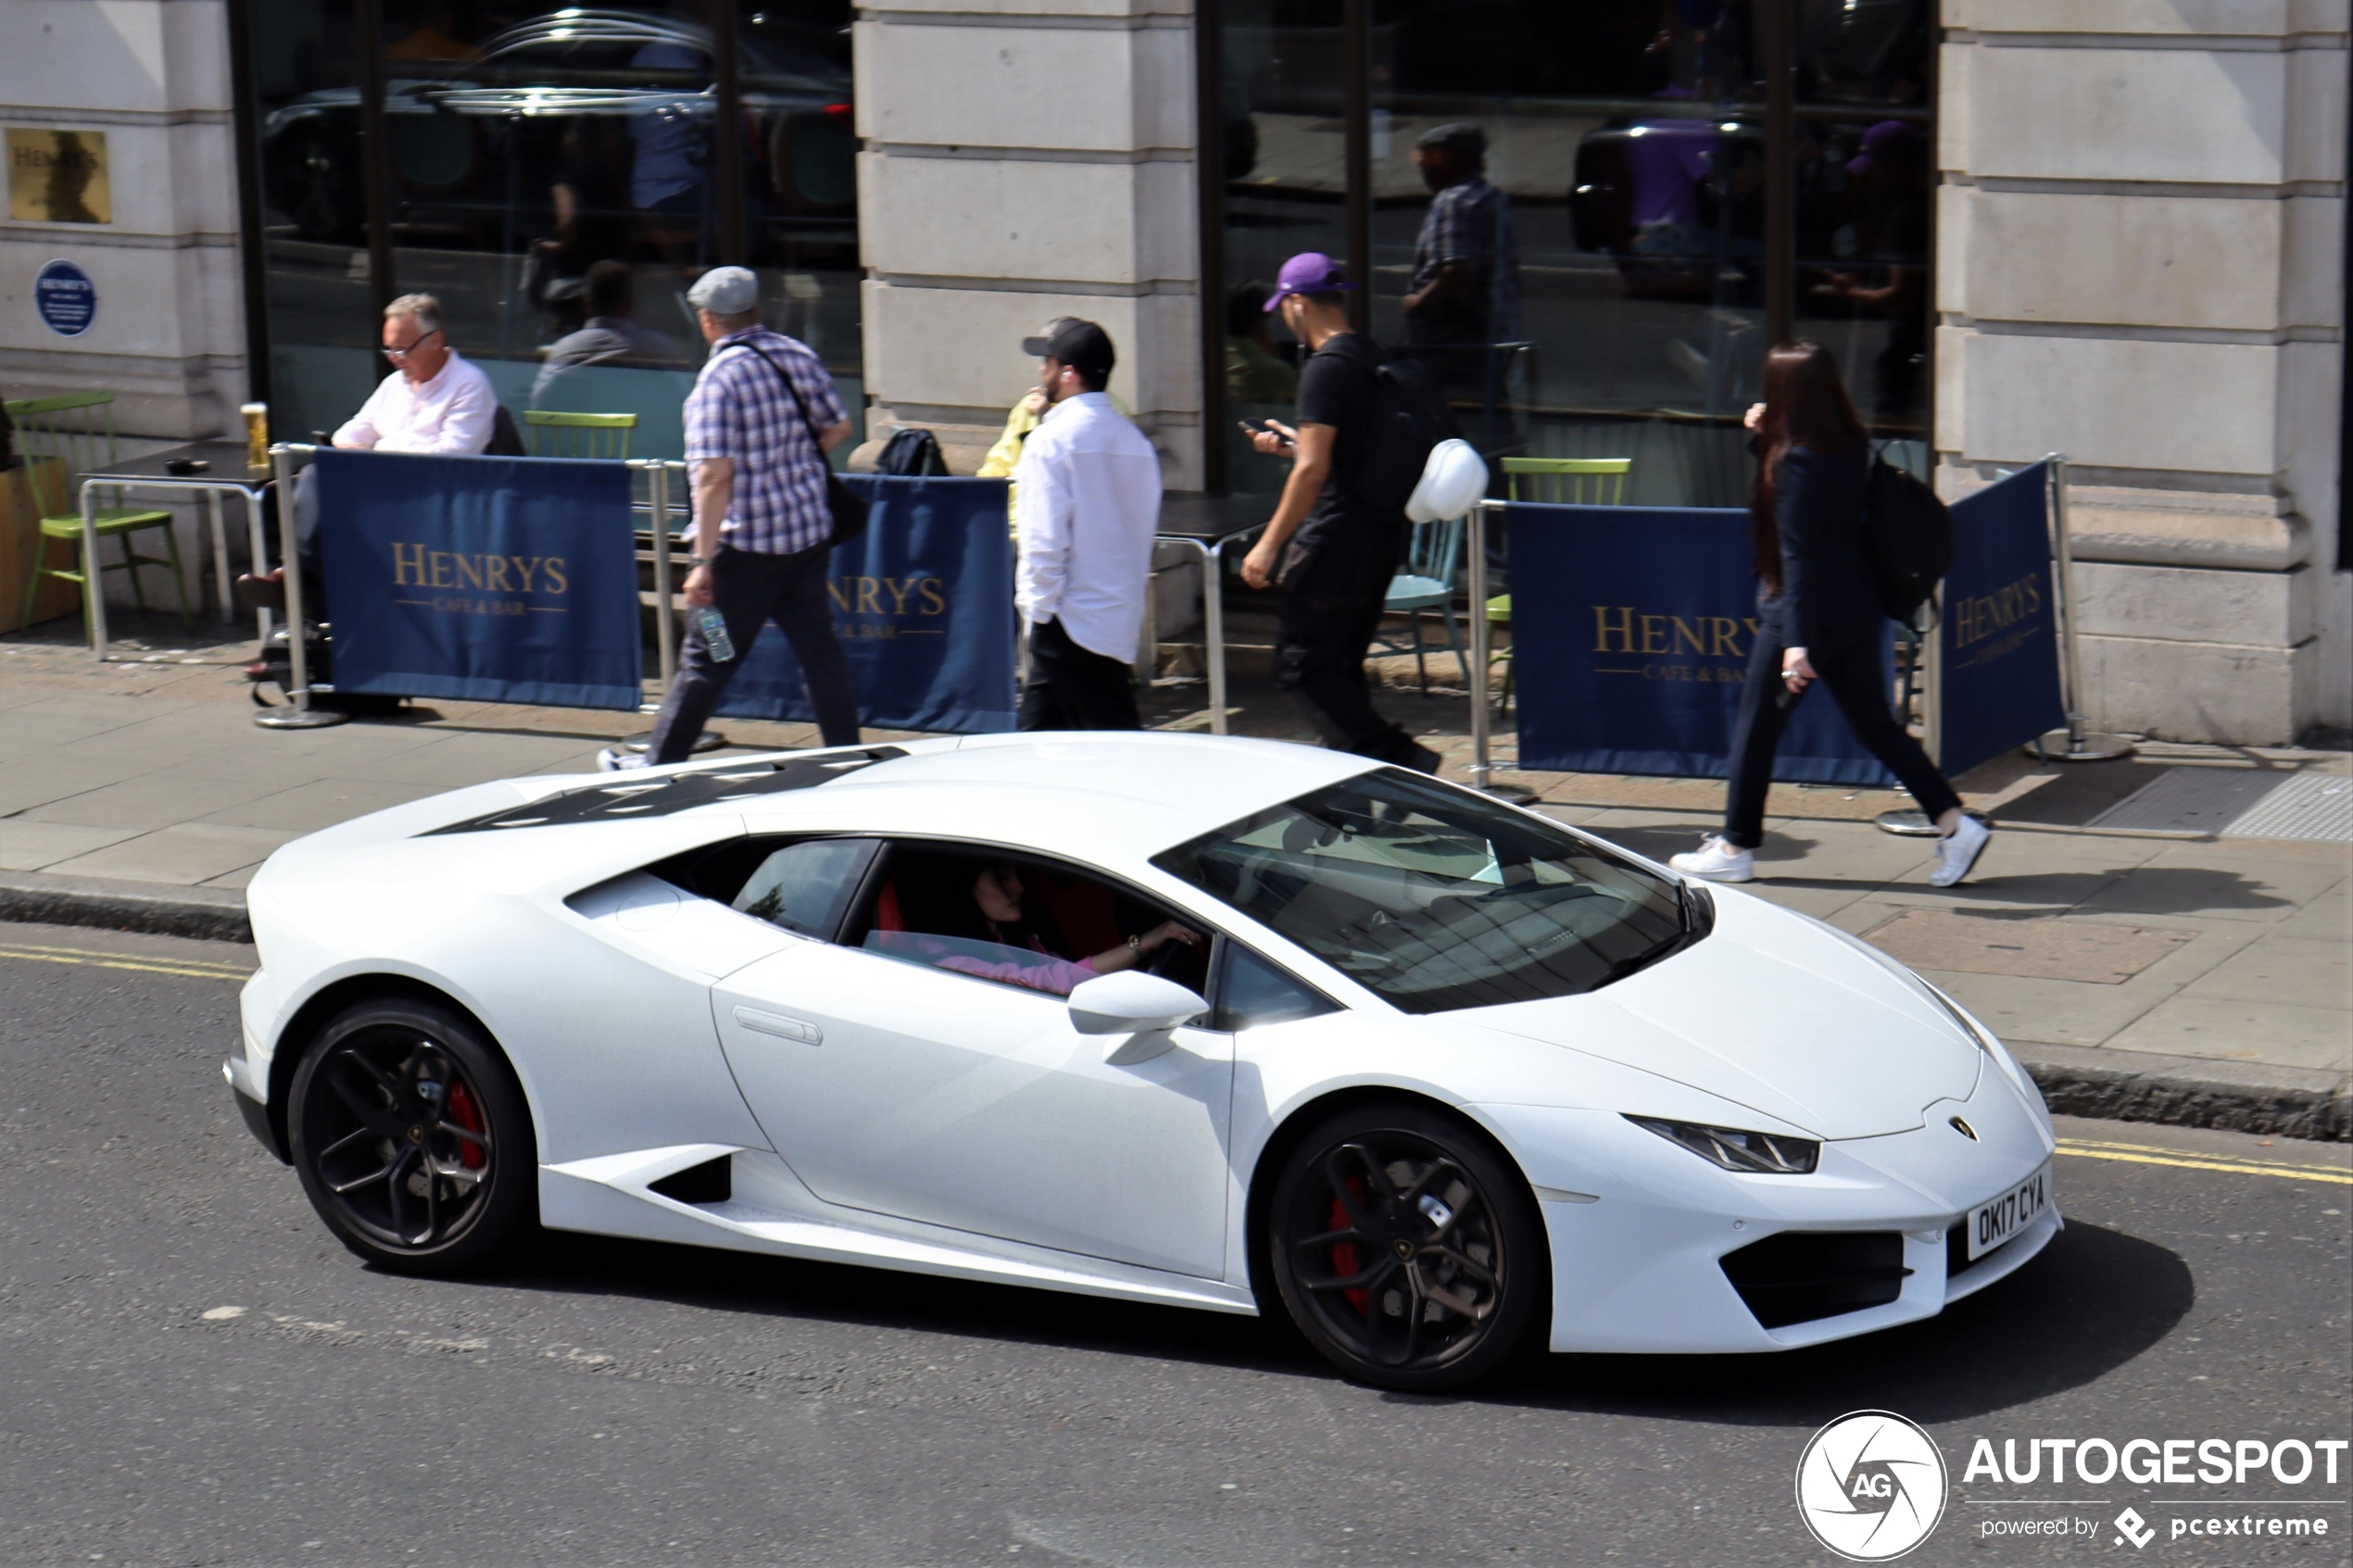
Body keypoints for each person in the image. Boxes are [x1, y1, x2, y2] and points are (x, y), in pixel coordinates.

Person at [1669, 341, 1990, 886]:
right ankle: (1954, 822)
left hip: (1802, 614)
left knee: (1754, 732)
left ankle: (1735, 845)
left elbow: (1800, 549)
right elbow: (1816, 506)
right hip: (1857, 606)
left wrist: (1797, 643)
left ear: (1782, 392)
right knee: (1875, 727)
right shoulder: (1847, 441)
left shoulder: (1795, 458)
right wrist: (1764, 437)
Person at [600, 266, 859, 771]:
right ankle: (847, 754)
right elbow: (839, 425)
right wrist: (788, 466)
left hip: (741, 557)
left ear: (708, 320)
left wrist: (700, 562)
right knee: (819, 653)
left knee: (708, 656)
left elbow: (714, 477)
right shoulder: (796, 355)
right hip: (805, 539)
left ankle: (658, 763)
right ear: (754, 309)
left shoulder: (717, 382)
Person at [1239, 254, 1440, 773]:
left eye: (1284, 308)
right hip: (1378, 540)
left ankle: (1400, 760)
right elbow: (1345, 455)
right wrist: (1294, 447)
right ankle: (1362, 791)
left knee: (1299, 667)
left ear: (1298, 303)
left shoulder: (1325, 368)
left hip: (1336, 540)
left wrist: (1268, 545)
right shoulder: (1374, 358)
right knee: (1341, 667)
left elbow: (1312, 472)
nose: (1285, 318)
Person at [1012, 318, 1163, 731]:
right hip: (1113, 619)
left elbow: (1043, 540)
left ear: (1068, 372)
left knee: (1112, 748)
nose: (1040, 371)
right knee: (1038, 744)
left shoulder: (1051, 440)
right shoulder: (1135, 443)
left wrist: (1035, 613)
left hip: (1067, 620)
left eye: (1047, 361)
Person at [878, 862, 1198, 997]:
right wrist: (1146, 943)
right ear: (961, 891)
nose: (1018, 887)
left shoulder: (1012, 938)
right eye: (1001, 879)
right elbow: (1056, 981)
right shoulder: (950, 964)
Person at [1401, 123, 1521, 395]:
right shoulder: (1493, 197)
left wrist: (1417, 303)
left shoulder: (1453, 200)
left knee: (1440, 417)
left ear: (1455, 159)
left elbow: (1458, 270)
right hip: (1492, 335)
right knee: (1487, 414)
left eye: (1431, 158)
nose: (1423, 167)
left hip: (1453, 342)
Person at [333, 294, 497, 456]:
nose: (392, 358)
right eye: (389, 349)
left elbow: (455, 453)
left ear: (435, 341)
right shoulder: (394, 383)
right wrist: (348, 447)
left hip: (433, 480)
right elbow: (353, 431)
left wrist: (381, 455)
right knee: (314, 473)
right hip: (382, 473)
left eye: (401, 349)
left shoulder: (469, 384)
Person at [533, 259, 686, 397]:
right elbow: (684, 399)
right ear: (629, 303)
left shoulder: (563, 351)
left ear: (586, 304)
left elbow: (539, 402)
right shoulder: (659, 349)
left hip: (574, 429)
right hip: (648, 429)